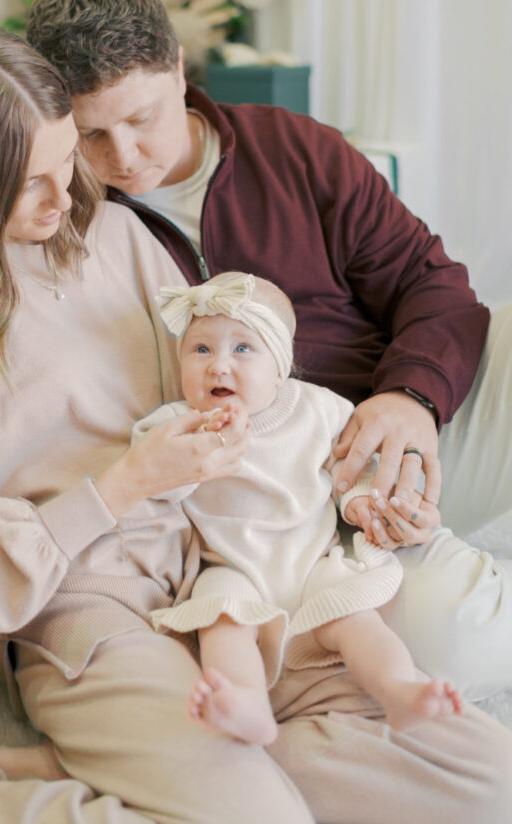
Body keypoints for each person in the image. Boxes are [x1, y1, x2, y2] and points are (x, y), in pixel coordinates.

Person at [0, 21, 511, 824]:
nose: (64, 198)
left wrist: (351, 497)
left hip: (219, 579)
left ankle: (40, 766)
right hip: (84, 608)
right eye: (29, 182)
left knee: (485, 780)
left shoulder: (119, 234)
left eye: (63, 163)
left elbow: (226, 414)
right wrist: (118, 488)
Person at [137, 271, 462, 745]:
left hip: (313, 562)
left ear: (280, 366)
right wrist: (194, 447)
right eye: (201, 349)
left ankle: (397, 689)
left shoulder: (318, 409)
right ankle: (248, 703)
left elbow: (349, 468)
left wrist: (359, 504)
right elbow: (149, 481)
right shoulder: (176, 424)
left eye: (242, 348)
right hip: (232, 567)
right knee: (221, 620)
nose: (218, 366)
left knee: (358, 620)